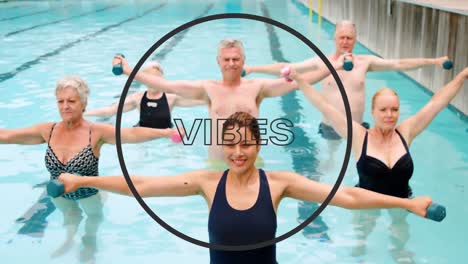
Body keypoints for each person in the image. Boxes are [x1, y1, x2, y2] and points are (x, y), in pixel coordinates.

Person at [56, 111, 436, 264]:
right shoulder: (206, 182)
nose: (238, 153)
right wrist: (83, 179)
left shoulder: (279, 184)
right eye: (231, 144)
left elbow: (348, 196)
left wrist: (406, 204)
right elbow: (140, 183)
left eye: (246, 144)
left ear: (258, 144)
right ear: (222, 146)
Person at [287, 66, 467, 261]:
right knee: (361, 239)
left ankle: (399, 252)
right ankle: (361, 252)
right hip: (366, 204)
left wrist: (463, 75)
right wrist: (298, 78)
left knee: (400, 234)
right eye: (383, 110)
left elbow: (437, 103)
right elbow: (324, 106)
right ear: (372, 112)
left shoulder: (405, 132)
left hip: (403, 201)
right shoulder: (358, 136)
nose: (389, 115)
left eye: (394, 110)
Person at [0, 76, 181, 262]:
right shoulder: (48, 130)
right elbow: (8, 136)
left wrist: (165, 133)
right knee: (69, 216)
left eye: (71, 101)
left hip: (89, 195)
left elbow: (131, 133)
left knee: (93, 220)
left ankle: (89, 241)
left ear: (83, 103)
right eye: (60, 101)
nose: (65, 106)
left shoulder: (96, 132)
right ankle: (69, 239)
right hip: (59, 195)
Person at [243, 20, 450, 169]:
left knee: (361, 169)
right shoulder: (322, 62)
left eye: (349, 38)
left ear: (355, 40)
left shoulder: (365, 62)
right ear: (334, 38)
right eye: (341, 37)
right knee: (329, 167)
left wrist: (433, 62)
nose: (345, 41)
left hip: (359, 130)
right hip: (331, 128)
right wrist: (253, 69)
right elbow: (285, 66)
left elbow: (398, 64)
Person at [113, 39, 338, 161]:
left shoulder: (257, 87)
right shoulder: (207, 89)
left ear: (243, 61)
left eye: (236, 59)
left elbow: (300, 82)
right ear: (218, 61)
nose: (232, 63)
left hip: (249, 162)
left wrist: (334, 67)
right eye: (227, 59)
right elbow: (166, 85)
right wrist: (128, 70)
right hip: (218, 163)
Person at [85, 61, 205, 128]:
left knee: (178, 150)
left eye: (156, 78)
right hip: (142, 134)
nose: (153, 82)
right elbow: (110, 111)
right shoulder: (137, 98)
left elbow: (199, 101)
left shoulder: (170, 98)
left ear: (162, 78)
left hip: (165, 133)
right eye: (149, 78)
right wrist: (84, 113)